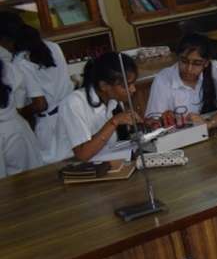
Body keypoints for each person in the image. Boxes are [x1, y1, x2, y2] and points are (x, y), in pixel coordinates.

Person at [145, 34, 217, 130]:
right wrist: (163, 120)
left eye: (197, 63)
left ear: (206, 63)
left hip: (212, 131)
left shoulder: (215, 68)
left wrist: (209, 123)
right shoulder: (163, 79)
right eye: (184, 61)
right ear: (177, 57)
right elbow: (152, 122)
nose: (189, 69)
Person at [57, 52, 140, 163]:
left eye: (133, 83)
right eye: (126, 85)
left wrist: (143, 127)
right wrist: (114, 122)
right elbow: (83, 154)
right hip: (67, 166)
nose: (133, 89)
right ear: (104, 86)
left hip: (102, 161)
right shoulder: (74, 103)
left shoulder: (113, 100)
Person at [12, 23, 72, 164]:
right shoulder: (54, 46)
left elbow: (40, 105)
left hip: (50, 124)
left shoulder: (21, 62)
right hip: (70, 114)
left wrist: (18, 114)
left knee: (52, 168)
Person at [0, 15, 41, 176]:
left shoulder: (11, 64)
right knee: (30, 177)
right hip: (16, 128)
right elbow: (20, 101)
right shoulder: (10, 67)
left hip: (10, 131)